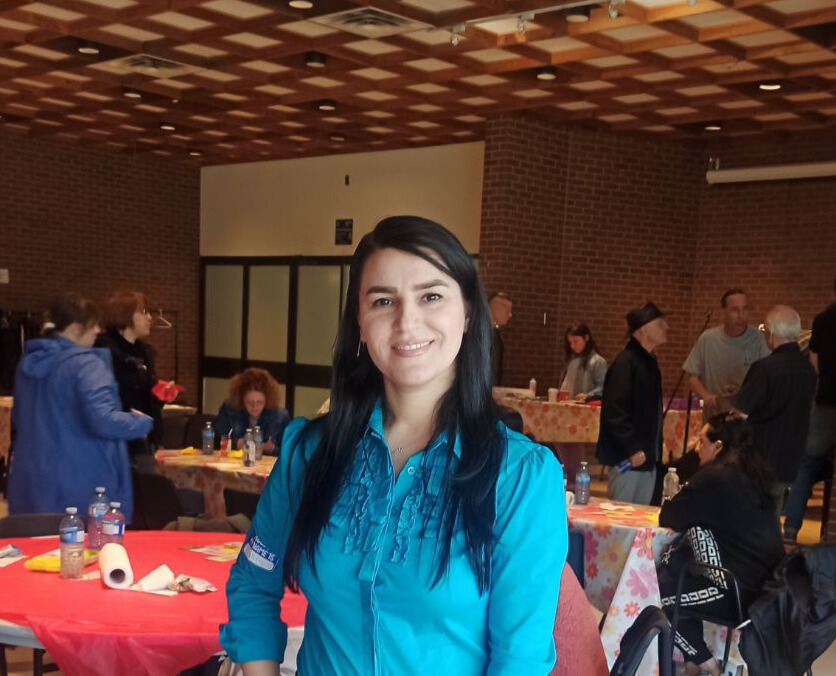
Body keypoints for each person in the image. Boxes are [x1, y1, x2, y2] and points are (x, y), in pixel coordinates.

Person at [221, 216, 567, 674]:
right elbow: (253, 581)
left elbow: (520, 660)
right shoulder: (310, 453)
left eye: (431, 296)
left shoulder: (520, 475)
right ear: (360, 325)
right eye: (383, 300)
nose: (407, 321)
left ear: (466, 313)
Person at [7, 293, 153, 522]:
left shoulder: (27, 364)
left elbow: (18, 420)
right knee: (84, 552)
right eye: (93, 326)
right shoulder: (86, 364)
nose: (98, 331)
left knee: (36, 551)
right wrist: (142, 422)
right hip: (81, 480)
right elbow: (102, 420)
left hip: (32, 478)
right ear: (76, 328)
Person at [658, 415, 785, 676]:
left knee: (656, 597)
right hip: (769, 590)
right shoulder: (754, 478)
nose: (695, 448)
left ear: (718, 447)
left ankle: (708, 666)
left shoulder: (714, 480)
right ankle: (694, 665)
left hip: (739, 591)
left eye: (701, 441)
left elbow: (669, 516)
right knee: (679, 580)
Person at [734, 305, 817, 516]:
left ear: (770, 333)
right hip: (791, 458)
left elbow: (741, 413)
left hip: (761, 459)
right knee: (771, 520)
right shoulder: (808, 370)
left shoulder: (766, 367)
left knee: (750, 520)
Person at [596, 302, 667, 505]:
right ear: (644, 329)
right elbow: (614, 410)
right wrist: (632, 448)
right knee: (622, 516)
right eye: (660, 324)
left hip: (646, 458)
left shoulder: (647, 362)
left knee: (642, 517)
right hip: (631, 457)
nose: (666, 328)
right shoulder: (626, 363)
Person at [784, 277, 836, 543]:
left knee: (807, 464)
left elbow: (813, 360)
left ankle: (791, 527)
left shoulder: (822, 320)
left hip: (826, 401)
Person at [94, 290, 162, 472]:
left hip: (143, 437)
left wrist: (160, 395)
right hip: (115, 440)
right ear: (125, 315)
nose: (150, 318)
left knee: (144, 492)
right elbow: (99, 397)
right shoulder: (103, 349)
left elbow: (145, 397)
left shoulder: (145, 352)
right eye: (143, 312)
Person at [683, 289, 770, 419]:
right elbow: (691, 375)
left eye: (745, 309)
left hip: (745, 418)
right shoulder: (707, 339)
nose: (741, 315)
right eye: (735, 310)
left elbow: (767, 378)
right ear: (724, 312)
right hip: (715, 417)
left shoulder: (759, 340)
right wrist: (706, 396)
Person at [214, 368, 290, 454]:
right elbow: (214, 441)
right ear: (241, 400)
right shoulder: (229, 410)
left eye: (259, 402)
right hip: (234, 464)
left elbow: (289, 452)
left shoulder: (280, 416)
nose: (255, 406)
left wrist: (271, 449)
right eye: (250, 402)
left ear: (267, 399)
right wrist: (236, 444)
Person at [559, 323, 607, 401]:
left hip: (587, 408)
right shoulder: (571, 361)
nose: (572, 346)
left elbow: (603, 387)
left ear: (586, 338)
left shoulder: (598, 361)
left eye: (576, 341)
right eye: (570, 342)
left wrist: (587, 395)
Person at [489, 291, 513, 386]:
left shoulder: (492, 333)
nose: (510, 315)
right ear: (498, 311)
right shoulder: (490, 335)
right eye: (508, 311)